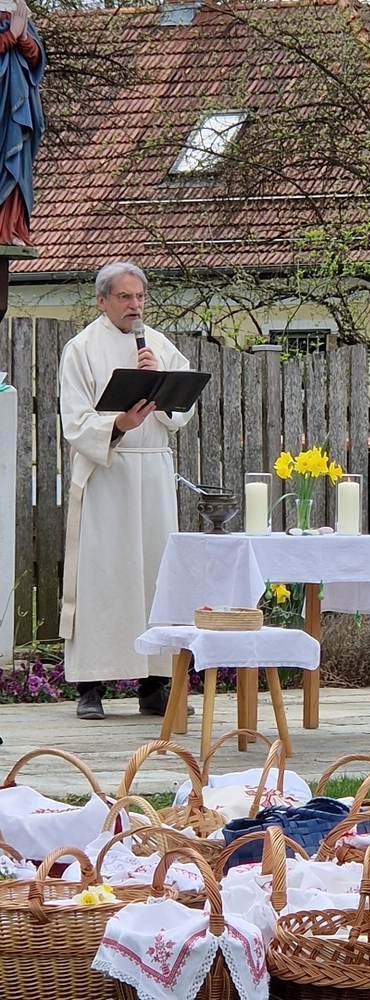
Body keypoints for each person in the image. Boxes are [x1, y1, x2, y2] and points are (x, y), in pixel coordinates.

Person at [59, 262, 196, 720]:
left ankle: (154, 684)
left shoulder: (159, 346)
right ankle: (91, 686)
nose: (134, 305)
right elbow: (75, 420)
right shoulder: (81, 349)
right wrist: (118, 423)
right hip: (108, 474)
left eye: (139, 296)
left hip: (152, 474)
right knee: (103, 579)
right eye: (124, 297)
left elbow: (181, 408)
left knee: (155, 576)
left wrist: (158, 383)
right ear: (102, 301)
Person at [0, 0, 45, 246]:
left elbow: (36, 59)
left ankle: (9, 227)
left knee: (15, 163)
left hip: (17, 104)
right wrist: (10, 35)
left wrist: (24, 37)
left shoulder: (18, 7)